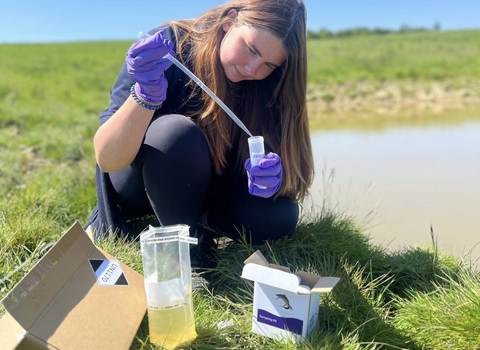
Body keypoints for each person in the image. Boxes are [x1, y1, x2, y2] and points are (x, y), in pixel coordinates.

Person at [84, 0, 314, 262]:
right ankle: (190, 251)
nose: (253, 69)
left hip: (205, 187)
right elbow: (108, 159)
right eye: (250, 49)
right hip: (142, 181)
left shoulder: (269, 83)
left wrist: (272, 178)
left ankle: (198, 219)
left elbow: (283, 172)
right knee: (175, 135)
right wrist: (145, 95)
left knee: (278, 217)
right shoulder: (167, 48)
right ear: (230, 21)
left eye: (269, 65)